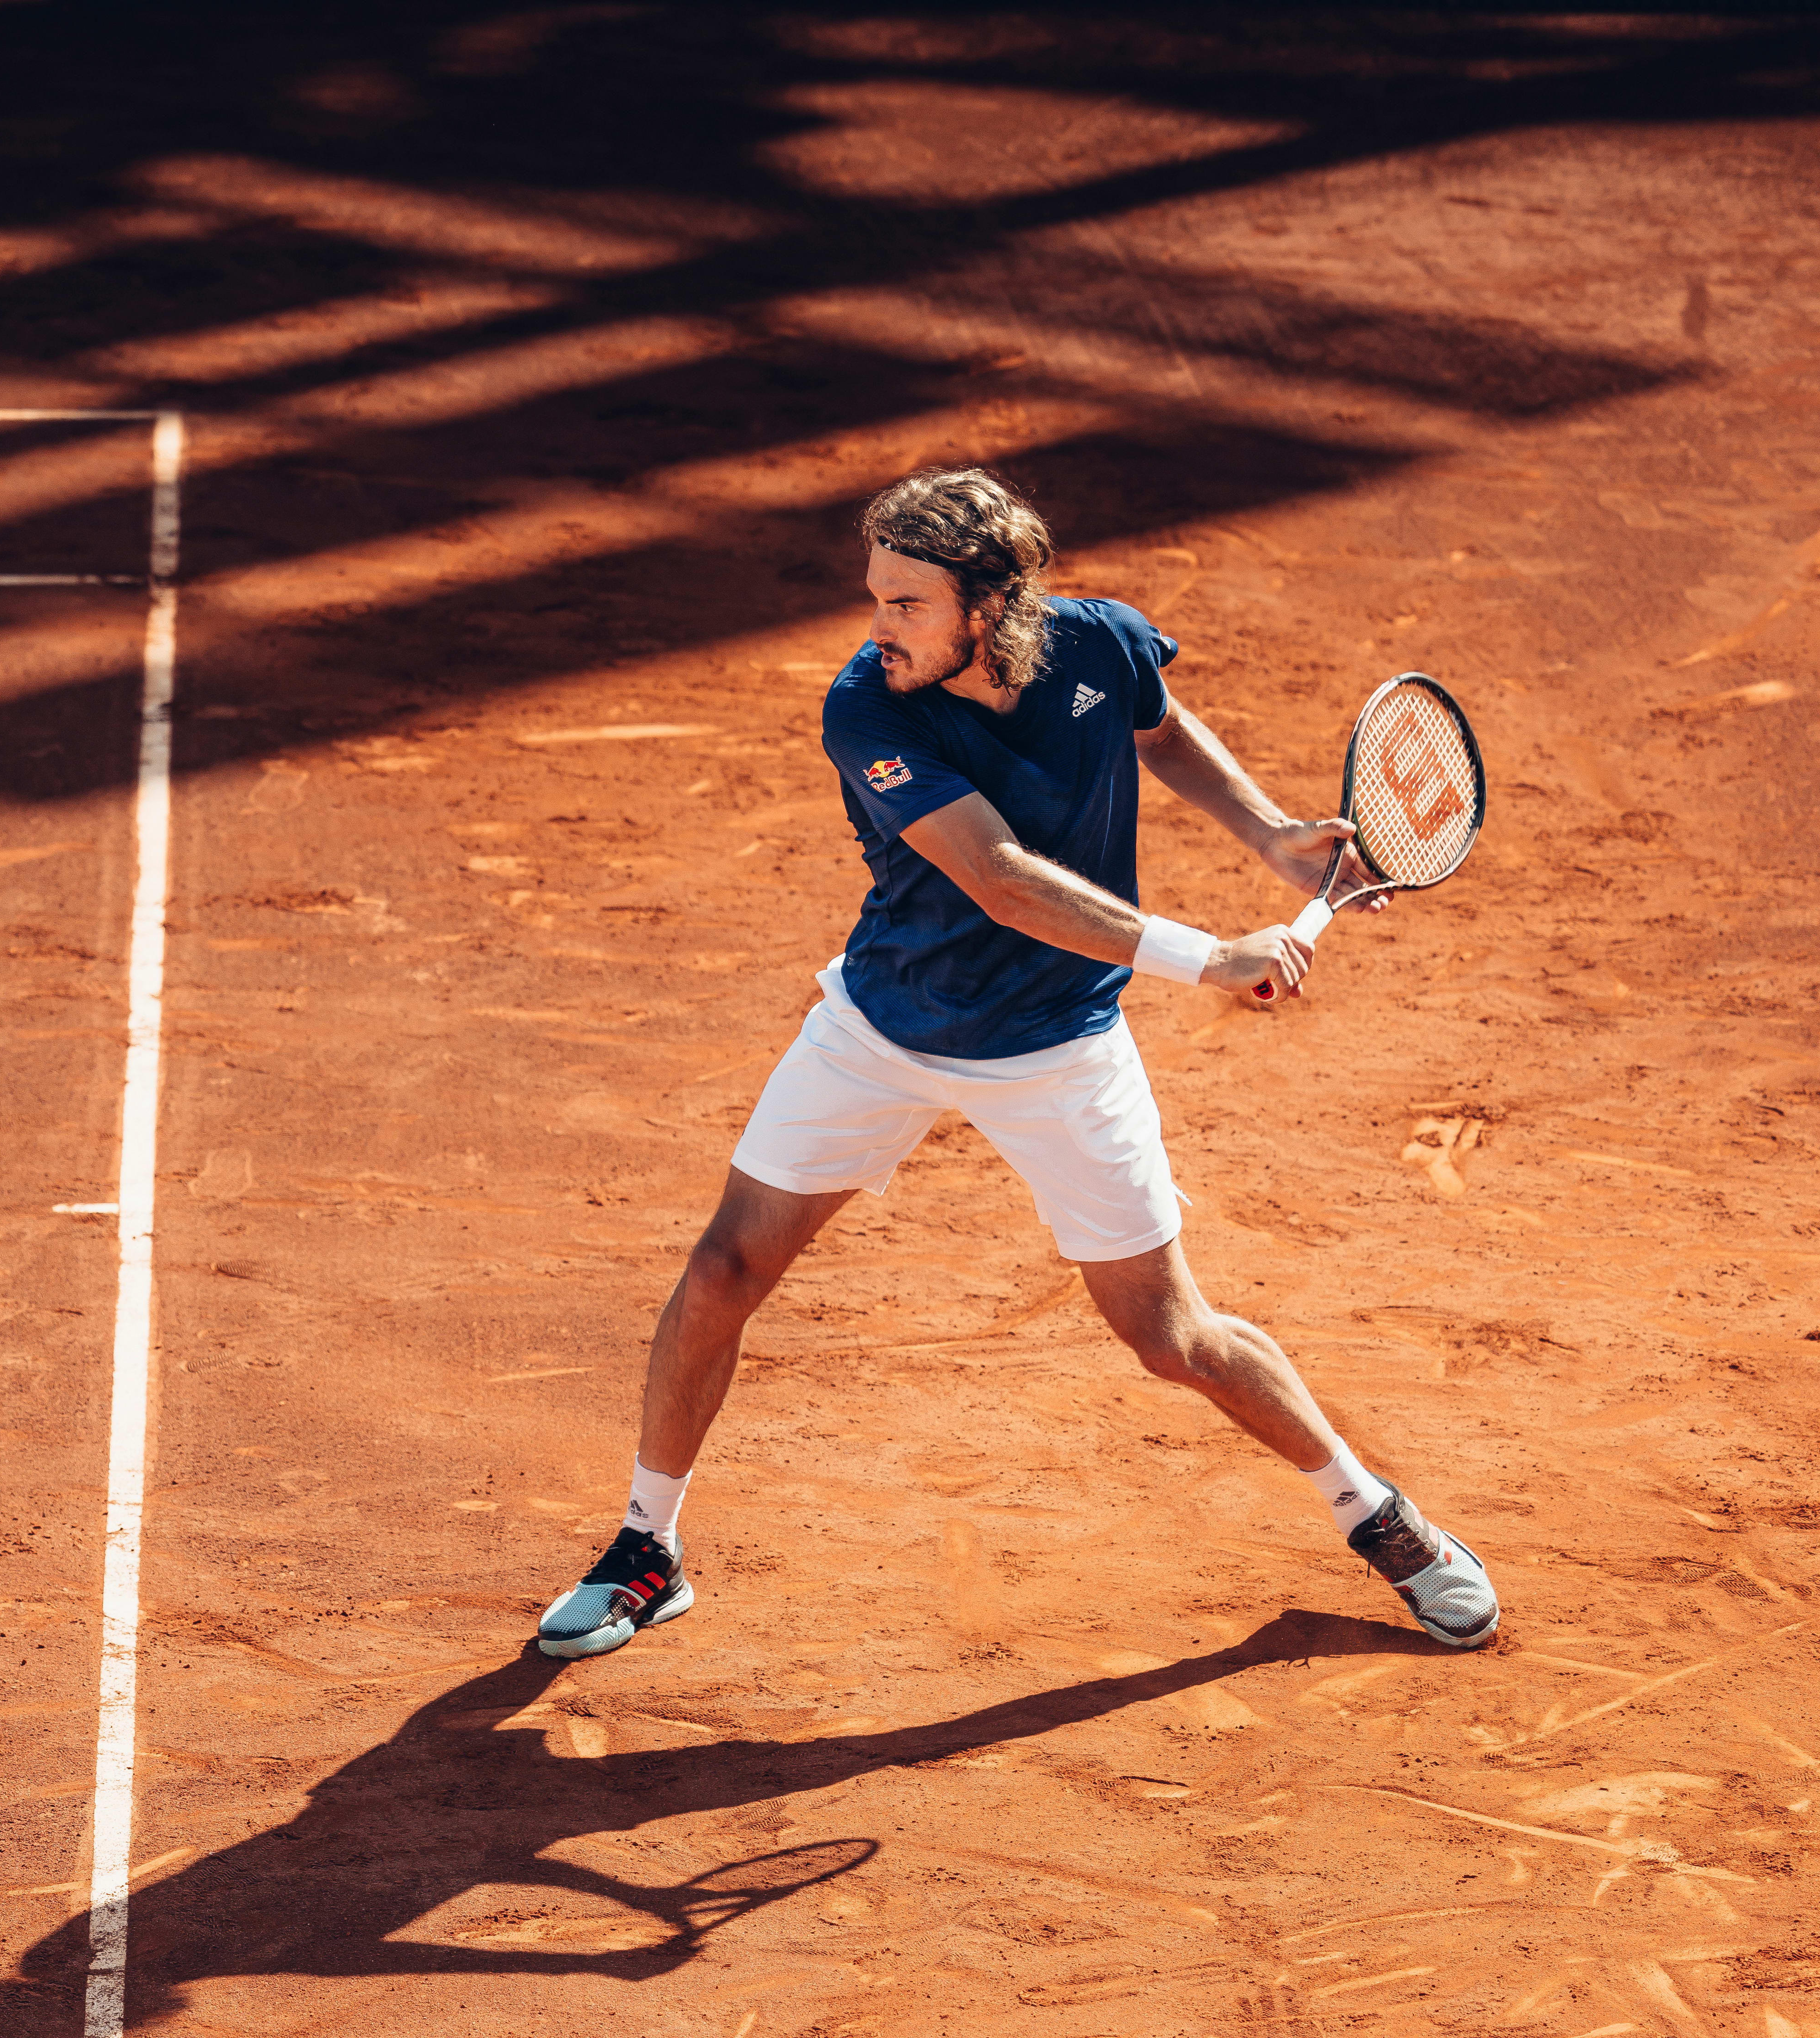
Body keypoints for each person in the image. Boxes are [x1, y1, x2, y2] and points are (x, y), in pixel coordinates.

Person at [536, 468, 1499, 1661]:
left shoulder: (1098, 645)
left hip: (1057, 1051)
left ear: (983, 611)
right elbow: (998, 880)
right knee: (728, 1266)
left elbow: (1156, 726)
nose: (875, 628)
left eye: (906, 604)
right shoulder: (869, 710)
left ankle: (1384, 1520)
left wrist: (1268, 834)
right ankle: (646, 1548)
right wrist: (1210, 959)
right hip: (885, 1029)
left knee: (1170, 1334)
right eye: (874, 597)